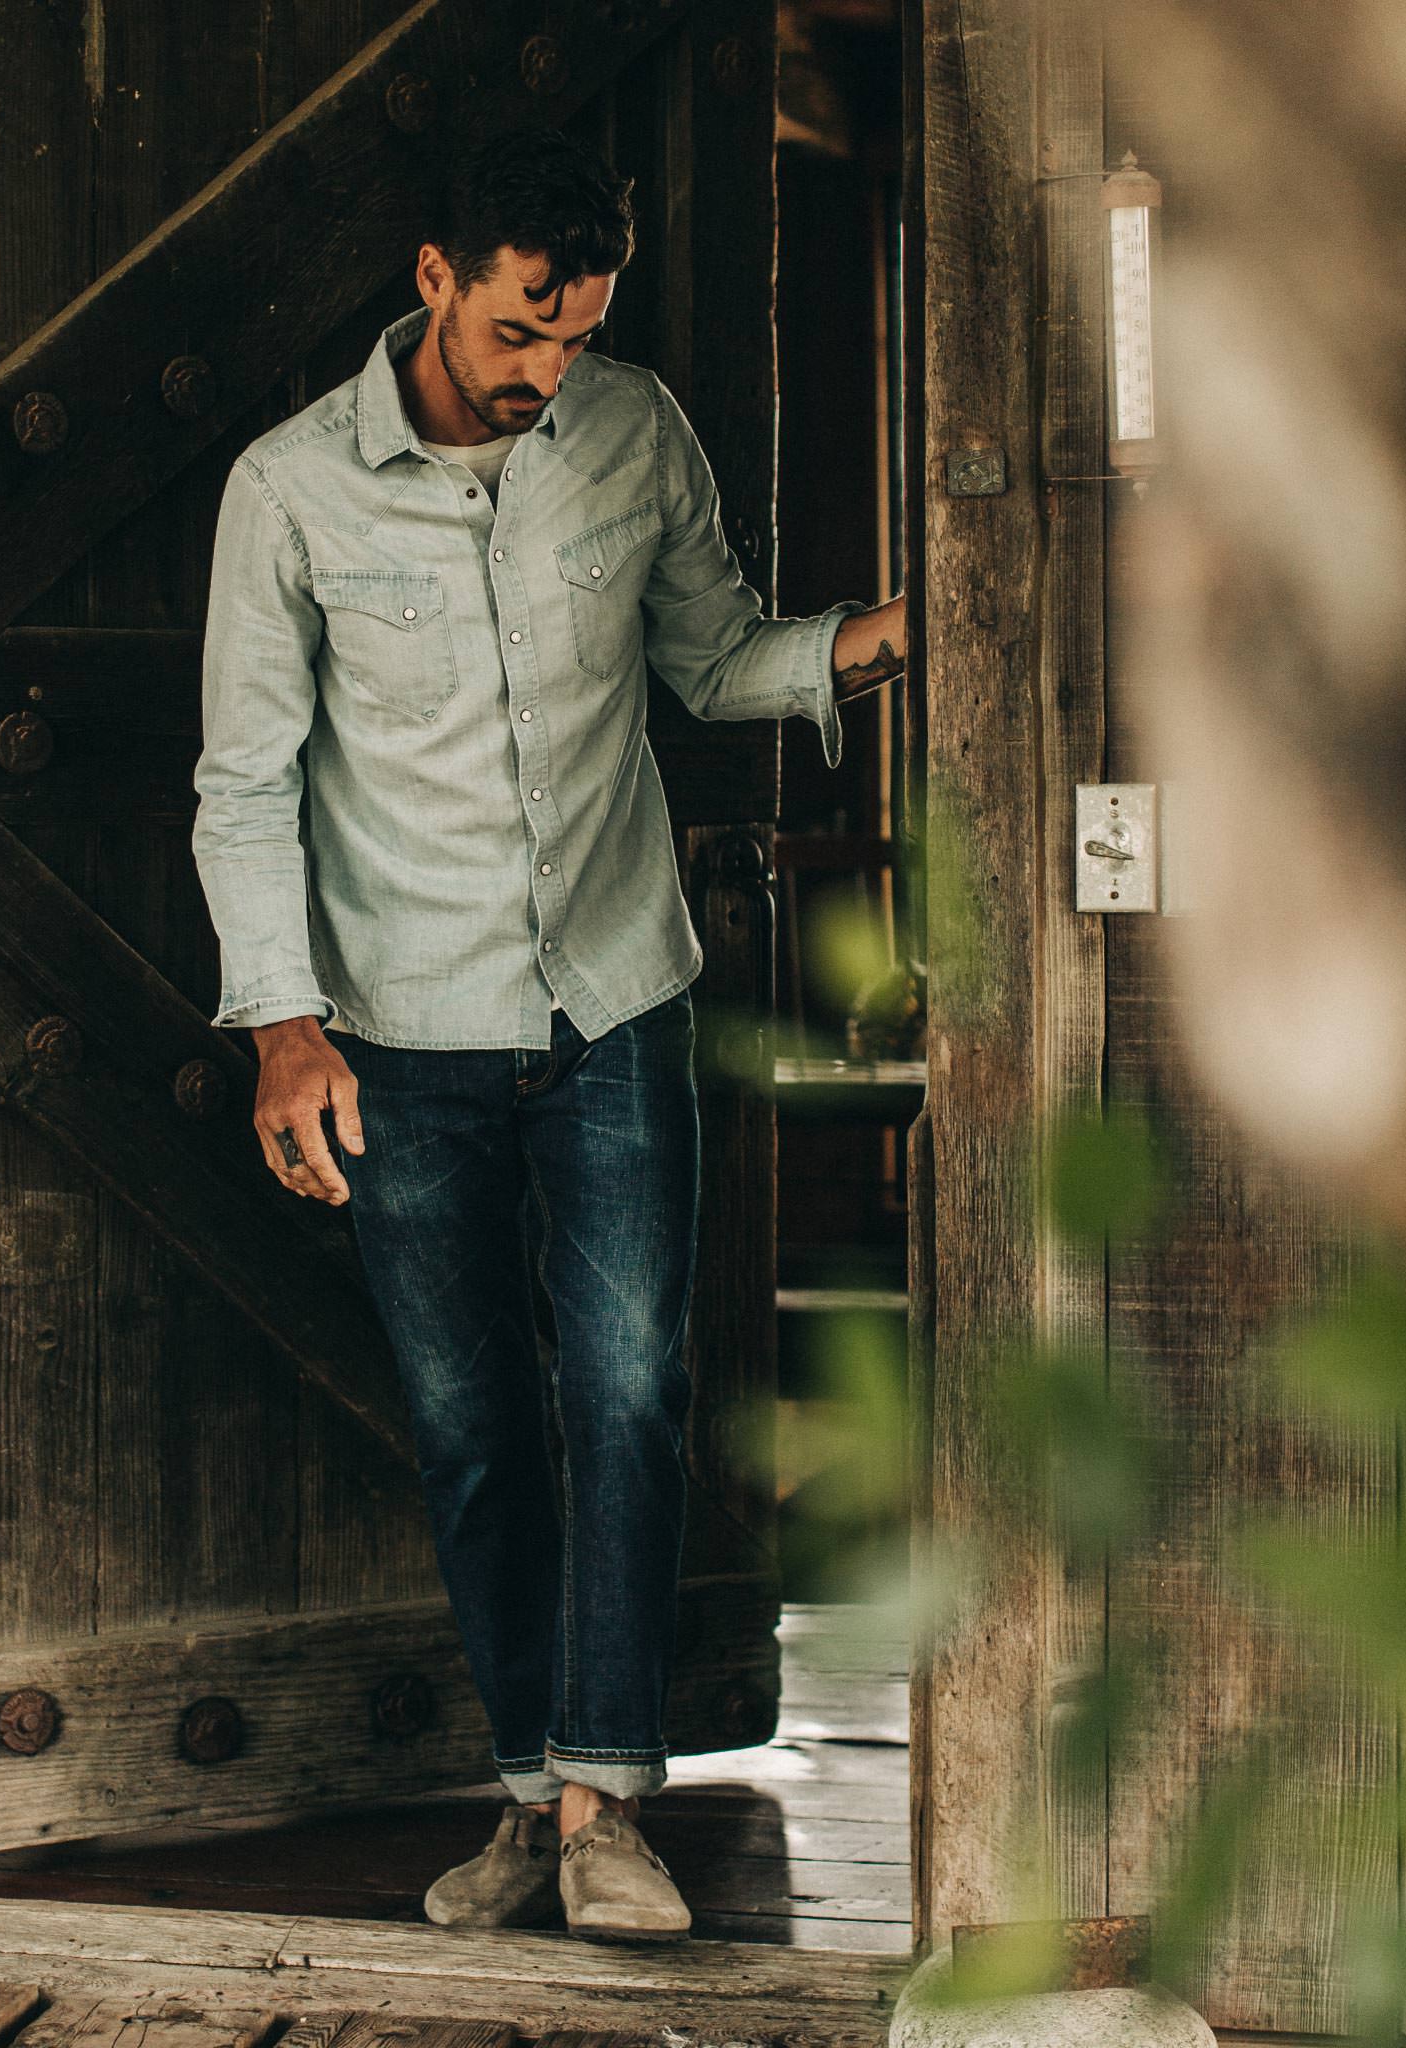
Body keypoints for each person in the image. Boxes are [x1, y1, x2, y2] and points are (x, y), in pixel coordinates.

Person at [191, 126, 904, 1942]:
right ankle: (530, 1797)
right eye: (522, 331)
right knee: (469, 1422)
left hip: (613, 1000)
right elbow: (245, 783)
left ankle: (605, 1809)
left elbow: (717, 659)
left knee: (633, 1397)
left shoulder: (633, 431)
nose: (548, 373)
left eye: (578, 335)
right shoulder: (289, 494)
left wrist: (888, 638)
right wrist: (284, 1029)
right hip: (397, 1031)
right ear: (434, 278)